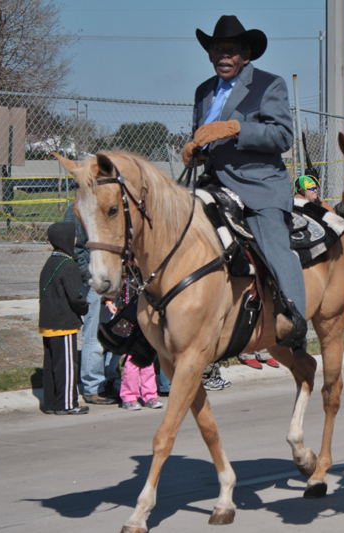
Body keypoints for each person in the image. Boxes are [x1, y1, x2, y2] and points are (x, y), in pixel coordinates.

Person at [182, 15, 308, 359]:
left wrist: (236, 128)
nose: (224, 56)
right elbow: (203, 137)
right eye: (218, 49)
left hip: (258, 185)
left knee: (274, 245)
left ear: (246, 55)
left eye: (232, 50)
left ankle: (295, 322)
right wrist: (195, 152)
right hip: (212, 183)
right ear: (210, 54)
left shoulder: (270, 85)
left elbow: (282, 136)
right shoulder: (203, 91)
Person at [63, 206, 121, 405]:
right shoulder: (78, 210)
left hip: (112, 278)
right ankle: (93, 387)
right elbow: (75, 248)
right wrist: (90, 276)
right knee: (94, 335)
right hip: (94, 281)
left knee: (114, 331)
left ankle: (108, 377)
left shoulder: (109, 207)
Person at [38, 222, 90, 415]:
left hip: (48, 322)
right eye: (73, 236)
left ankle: (52, 403)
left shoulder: (51, 261)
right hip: (63, 323)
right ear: (65, 239)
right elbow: (75, 297)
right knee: (67, 366)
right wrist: (85, 308)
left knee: (52, 365)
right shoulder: (68, 264)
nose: (75, 239)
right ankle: (68, 403)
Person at [104, 294, 163, 411]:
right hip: (128, 318)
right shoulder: (127, 283)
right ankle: (129, 397)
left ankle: (150, 396)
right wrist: (109, 302)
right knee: (131, 363)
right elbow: (114, 287)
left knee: (147, 362)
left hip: (146, 318)